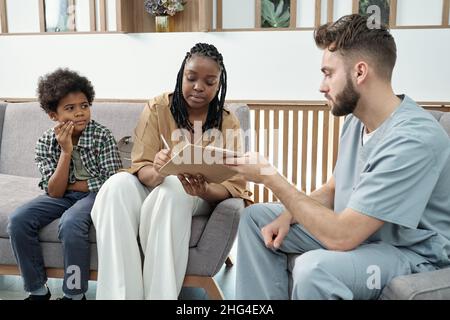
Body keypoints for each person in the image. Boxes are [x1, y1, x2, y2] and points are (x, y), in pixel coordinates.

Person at [227, 14, 450, 299]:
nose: (322, 86)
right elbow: (333, 188)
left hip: (411, 253)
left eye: (328, 73)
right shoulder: (356, 121)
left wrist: (271, 179)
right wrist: (290, 213)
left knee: (314, 269)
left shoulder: (414, 139)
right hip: (365, 232)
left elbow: (343, 236)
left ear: (359, 72)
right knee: (256, 218)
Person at [91, 43, 252, 300]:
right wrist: (158, 169)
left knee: (175, 187)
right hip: (154, 184)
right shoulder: (158, 108)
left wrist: (205, 189)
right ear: (181, 76)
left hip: (194, 196)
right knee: (115, 186)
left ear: (219, 85)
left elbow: (234, 185)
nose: (199, 87)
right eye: (191, 78)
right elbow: (141, 167)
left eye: (210, 82)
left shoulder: (227, 121)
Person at [7, 68, 122, 300]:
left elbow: (112, 182)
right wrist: (66, 152)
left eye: (85, 105)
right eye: (70, 108)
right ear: (53, 115)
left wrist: (74, 186)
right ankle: (37, 290)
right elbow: (55, 192)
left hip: (96, 196)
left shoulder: (102, 135)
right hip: (65, 196)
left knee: (71, 224)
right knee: (18, 220)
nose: (80, 113)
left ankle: (75, 295)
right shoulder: (45, 142)